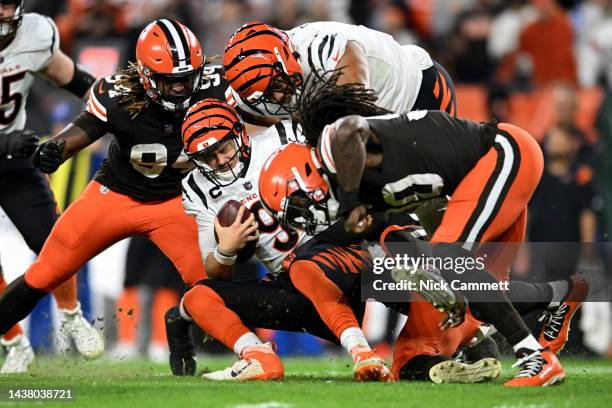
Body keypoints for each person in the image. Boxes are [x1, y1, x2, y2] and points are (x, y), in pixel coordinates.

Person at [257, 76, 589, 386]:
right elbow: (420, 221)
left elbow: (351, 128)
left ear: (304, 178)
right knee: (479, 296)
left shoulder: (336, 146)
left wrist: (347, 204)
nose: (305, 218)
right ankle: (560, 295)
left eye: (298, 207)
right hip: (483, 179)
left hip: (502, 153)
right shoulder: (365, 191)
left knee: (450, 260)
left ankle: (536, 359)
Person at [169, 99, 502, 384]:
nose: (220, 161)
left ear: (239, 134)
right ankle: (259, 356)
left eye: (222, 148)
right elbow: (214, 270)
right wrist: (226, 251)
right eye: (208, 157)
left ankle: (463, 332)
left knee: (385, 234)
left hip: (348, 253)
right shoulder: (197, 188)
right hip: (299, 290)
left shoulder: (285, 136)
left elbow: (347, 150)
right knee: (198, 296)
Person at [0, 19, 226, 342]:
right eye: (170, 81)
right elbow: (87, 126)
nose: (180, 88)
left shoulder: (215, 87)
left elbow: (259, 109)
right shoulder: (119, 94)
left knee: (211, 283)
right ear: (146, 77)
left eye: (187, 78)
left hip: (175, 201)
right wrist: (57, 149)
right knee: (46, 270)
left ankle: (246, 349)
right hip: (115, 196)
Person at [0, 0, 103, 373]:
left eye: (7, 4)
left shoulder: (34, 34)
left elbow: (77, 80)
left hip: (13, 159)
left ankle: (72, 315)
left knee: (52, 241)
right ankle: (14, 344)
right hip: (8, 146)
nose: (1, 12)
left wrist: (115, 108)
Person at [222, 21, 456, 122]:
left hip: (418, 92)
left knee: (439, 202)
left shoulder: (316, 46)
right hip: (379, 125)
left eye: (277, 85)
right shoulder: (247, 99)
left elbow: (354, 105)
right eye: (266, 95)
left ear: (286, 57)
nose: (277, 98)